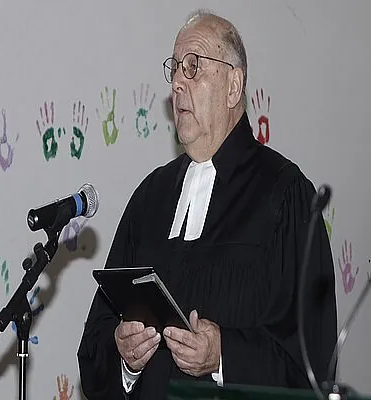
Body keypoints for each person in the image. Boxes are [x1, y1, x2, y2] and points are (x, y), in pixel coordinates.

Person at [77, 10, 337, 400]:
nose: (177, 82)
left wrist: (222, 356)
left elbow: (311, 361)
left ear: (234, 86)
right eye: (175, 69)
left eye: (193, 66)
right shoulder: (150, 197)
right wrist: (125, 359)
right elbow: (94, 347)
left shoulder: (286, 194)